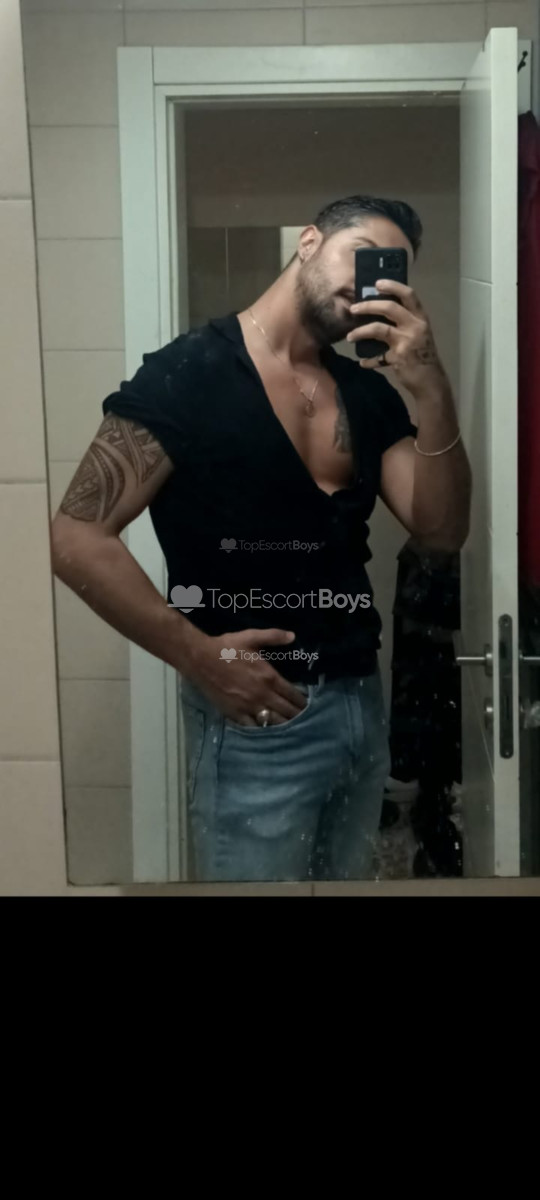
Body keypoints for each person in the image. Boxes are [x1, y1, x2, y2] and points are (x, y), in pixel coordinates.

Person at [51, 194, 471, 882]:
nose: (371, 282)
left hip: (359, 705)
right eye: (362, 254)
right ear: (309, 242)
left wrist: (430, 387)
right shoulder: (187, 374)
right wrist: (198, 656)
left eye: (391, 271)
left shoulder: (367, 394)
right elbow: (75, 537)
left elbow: (442, 530)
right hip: (259, 718)